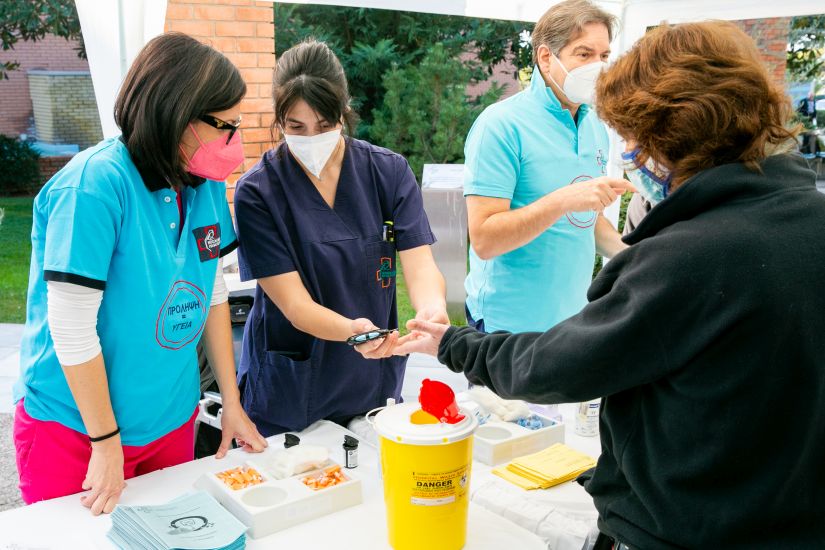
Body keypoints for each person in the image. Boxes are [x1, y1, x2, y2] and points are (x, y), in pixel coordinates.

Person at [395, 21, 825, 548]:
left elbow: (559, 363)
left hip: (689, 525)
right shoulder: (807, 218)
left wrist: (451, 342)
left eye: (637, 141)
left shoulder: (691, 257)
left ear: (671, 138)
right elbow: (485, 238)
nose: (632, 155)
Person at [13, 33, 267, 514]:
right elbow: (70, 330)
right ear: (178, 115)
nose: (235, 142)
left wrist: (230, 402)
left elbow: (212, 288)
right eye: (226, 126)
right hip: (76, 432)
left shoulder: (204, 183)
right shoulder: (92, 187)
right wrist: (106, 441)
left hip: (169, 419)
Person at [233, 40, 447, 437]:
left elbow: (420, 265)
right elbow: (296, 306)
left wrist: (432, 309)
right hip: (291, 389)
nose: (311, 138)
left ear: (344, 112)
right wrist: (354, 331)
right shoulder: (258, 192)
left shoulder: (388, 173)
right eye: (296, 127)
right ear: (278, 120)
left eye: (325, 125)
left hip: (369, 379)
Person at [463, 0, 633, 333]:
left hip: (571, 321)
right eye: (584, 54)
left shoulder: (594, 125)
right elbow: (484, 239)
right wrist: (565, 199)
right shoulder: (500, 125)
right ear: (545, 57)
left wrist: (631, 254)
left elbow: (585, 219)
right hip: (506, 326)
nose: (597, 67)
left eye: (604, 56)